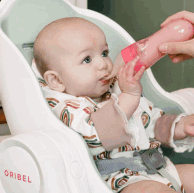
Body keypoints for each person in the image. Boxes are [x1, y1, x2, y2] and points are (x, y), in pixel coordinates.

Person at [33, 17, 194, 193]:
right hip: (119, 180)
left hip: (160, 170)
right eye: (87, 60)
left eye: (104, 53)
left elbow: (151, 121)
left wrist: (180, 127)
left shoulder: (116, 90)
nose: (103, 64)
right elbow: (96, 135)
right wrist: (129, 96)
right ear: (56, 80)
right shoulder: (66, 107)